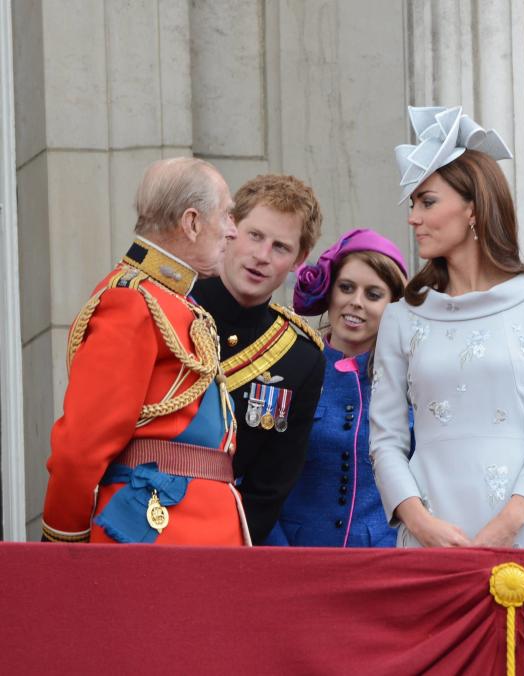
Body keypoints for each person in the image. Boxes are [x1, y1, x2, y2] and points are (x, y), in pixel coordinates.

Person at [370, 105, 524, 548]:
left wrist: (507, 525)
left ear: (473, 208)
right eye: (413, 204)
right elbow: (385, 440)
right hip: (425, 532)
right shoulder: (401, 316)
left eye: (428, 202)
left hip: (517, 530)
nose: (413, 218)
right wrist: (420, 523)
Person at [42, 157, 247, 544]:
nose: (233, 231)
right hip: (150, 536)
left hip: (202, 535)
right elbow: (80, 448)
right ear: (191, 222)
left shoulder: (177, 302)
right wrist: (63, 548)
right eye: (227, 216)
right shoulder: (132, 302)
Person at [191, 174, 326, 544]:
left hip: (223, 539)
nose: (262, 257)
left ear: (299, 260)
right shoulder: (170, 306)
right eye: (255, 236)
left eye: (280, 247)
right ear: (230, 227)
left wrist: (225, 547)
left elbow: (271, 486)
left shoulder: (298, 357)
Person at [263, 229, 408, 547]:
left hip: (381, 564)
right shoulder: (287, 368)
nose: (356, 303)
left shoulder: (409, 384)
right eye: (346, 288)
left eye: (373, 295)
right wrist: (277, 553)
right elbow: (255, 470)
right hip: (293, 558)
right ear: (329, 292)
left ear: (393, 307)